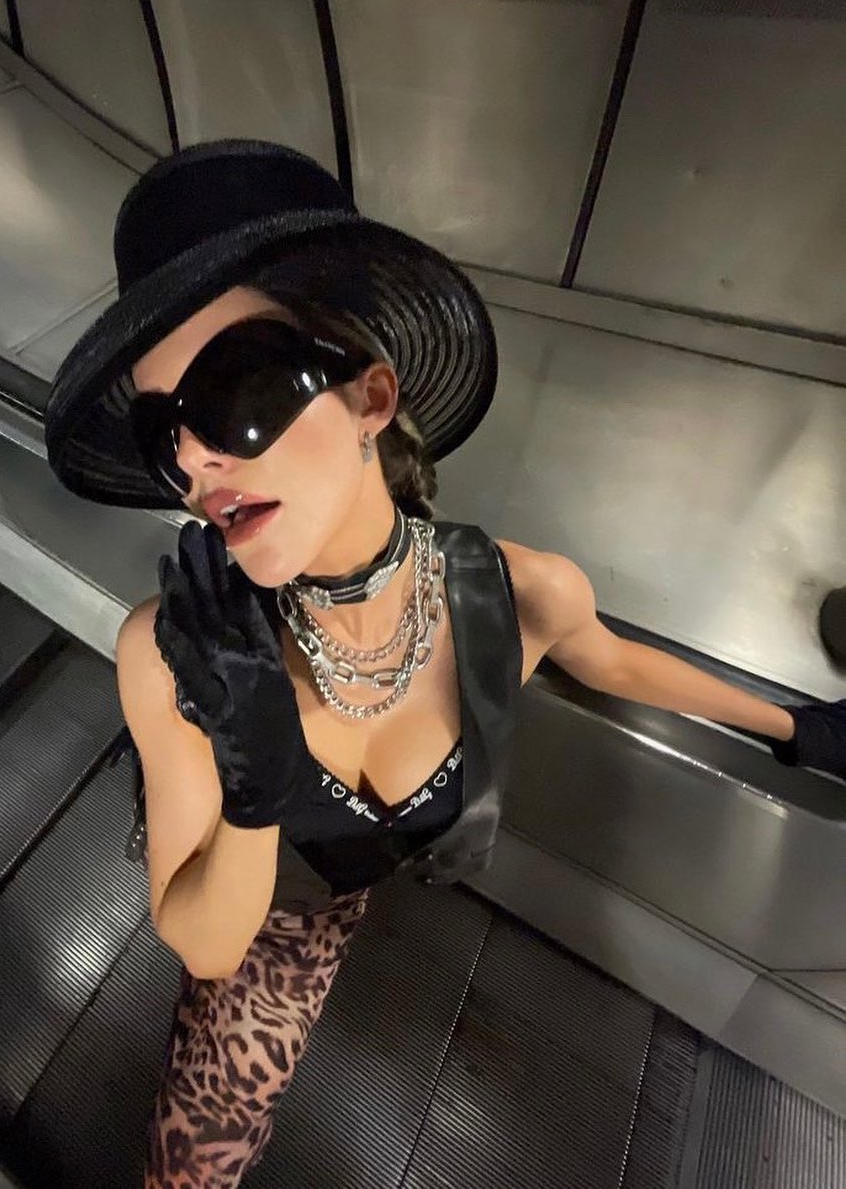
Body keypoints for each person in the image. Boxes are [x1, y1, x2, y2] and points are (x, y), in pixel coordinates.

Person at [43, 139, 845, 1188]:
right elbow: (205, 944)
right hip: (280, 917)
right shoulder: (175, 653)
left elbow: (610, 663)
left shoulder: (513, 592)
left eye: (235, 390)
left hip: (370, 874)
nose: (194, 458)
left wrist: (799, 729)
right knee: (193, 1157)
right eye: (163, 432)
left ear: (370, 398)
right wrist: (254, 784)